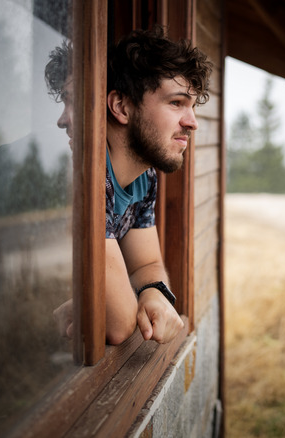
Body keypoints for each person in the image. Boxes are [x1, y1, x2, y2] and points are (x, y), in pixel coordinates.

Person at [48, 27, 213, 345]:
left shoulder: (144, 178)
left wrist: (153, 291)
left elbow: (147, 264)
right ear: (121, 107)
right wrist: (118, 301)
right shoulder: (90, 178)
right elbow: (119, 324)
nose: (192, 121)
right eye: (177, 103)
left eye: (192, 106)